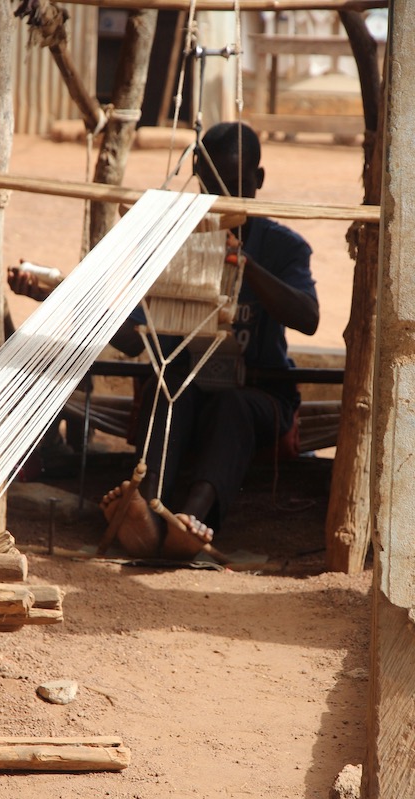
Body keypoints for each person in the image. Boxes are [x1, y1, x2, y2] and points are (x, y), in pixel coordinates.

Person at [100, 121, 320, 560]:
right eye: (211, 186)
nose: (221, 199)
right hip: (187, 392)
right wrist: (63, 297)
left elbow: (308, 319)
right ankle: (150, 512)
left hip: (259, 397)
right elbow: (131, 340)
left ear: (257, 182)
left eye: (235, 186)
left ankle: (194, 519)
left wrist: (248, 265)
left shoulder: (284, 248)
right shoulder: (177, 244)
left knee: (231, 405)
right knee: (169, 391)